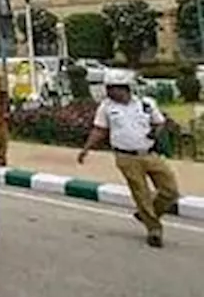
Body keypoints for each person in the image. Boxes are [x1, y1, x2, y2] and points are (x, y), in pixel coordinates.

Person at [78, 68, 181, 248]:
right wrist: (86, 149)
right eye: (108, 88)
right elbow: (99, 130)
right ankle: (154, 229)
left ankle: (146, 214)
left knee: (170, 189)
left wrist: (154, 134)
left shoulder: (145, 104)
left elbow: (159, 123)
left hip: (149, 153)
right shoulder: (106, 108)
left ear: (125, 88)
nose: (109, 92)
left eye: (113, 88)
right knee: (141, 193)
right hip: (126, 157)